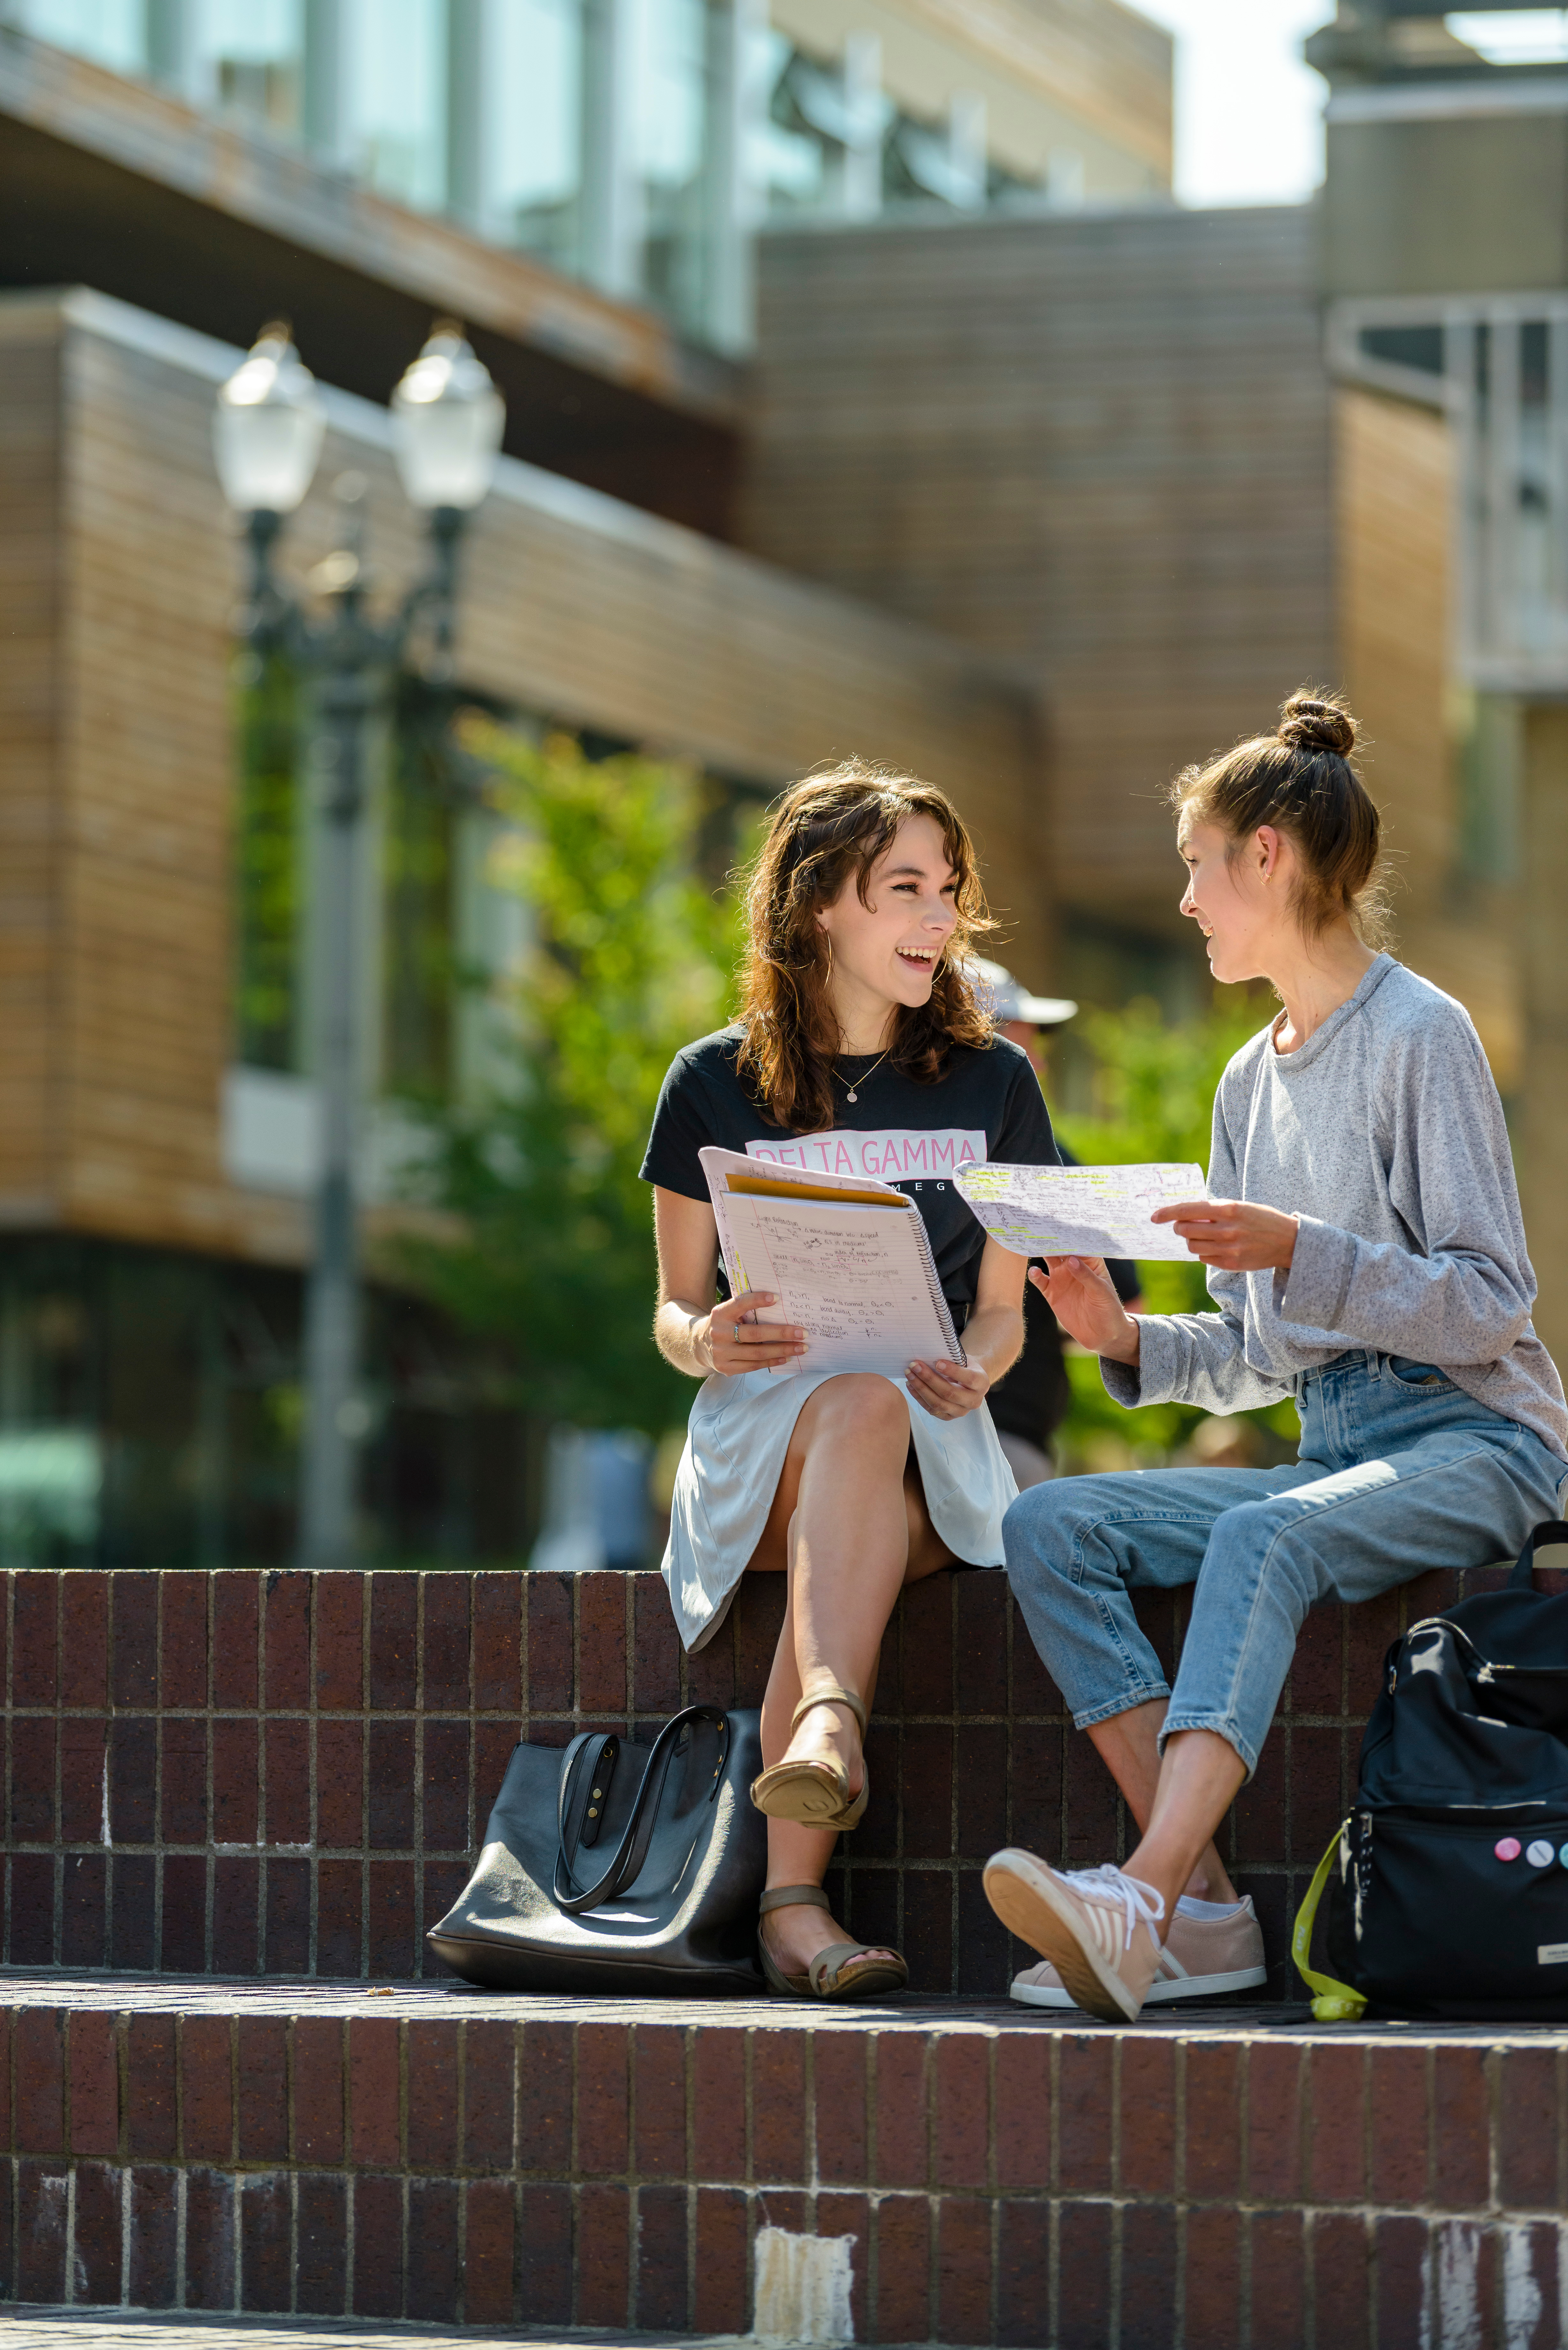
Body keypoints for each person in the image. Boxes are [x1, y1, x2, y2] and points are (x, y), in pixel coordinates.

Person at [984, 690, 1568, 2023]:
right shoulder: (1246, 1080)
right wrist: (1125, 1337)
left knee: (1263, 1541)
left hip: (1481, 1439)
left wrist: (1299, 1245)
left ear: (1268, 857)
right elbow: (1260, 1354)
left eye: (1197, 864)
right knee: (1050, 1526)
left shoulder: (1423, 1037)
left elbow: (1490, 1303)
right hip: (1333, 1445)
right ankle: (1194, 1915)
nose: (1185, 898)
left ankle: (1138, 1892)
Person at [643, 763, 1056, 2000]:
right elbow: (667, 1312)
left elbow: (1003, 1321)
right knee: (847, 1413)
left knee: (874, 1409)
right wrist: (704, 1339)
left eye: (949, 891)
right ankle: (813, 1785)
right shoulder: (709, 1080)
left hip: (929, 1450)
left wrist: (968, 1371)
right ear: (823, 903)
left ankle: (797, 1878)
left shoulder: (998, 1084)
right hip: (760, 1449)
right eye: (905, 890)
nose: (940, 919)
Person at [972, 959, 1143, 1491]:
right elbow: (1127, 1312)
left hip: (984, 1439)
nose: (1039, 1065)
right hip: (1000, 1444)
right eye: (1017, 1050)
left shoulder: (868, 1145)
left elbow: (1118, 1319)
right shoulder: (1049, 1160)